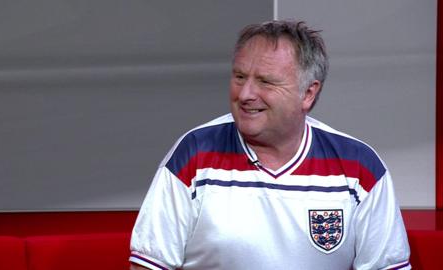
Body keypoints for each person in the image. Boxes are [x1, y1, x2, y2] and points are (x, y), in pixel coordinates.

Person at [129, 20, 411, 270]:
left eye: (265, 81)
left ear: (308, 94)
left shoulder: (359, 167)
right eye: (239, 77)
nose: (246, 94)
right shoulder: (194, 154)